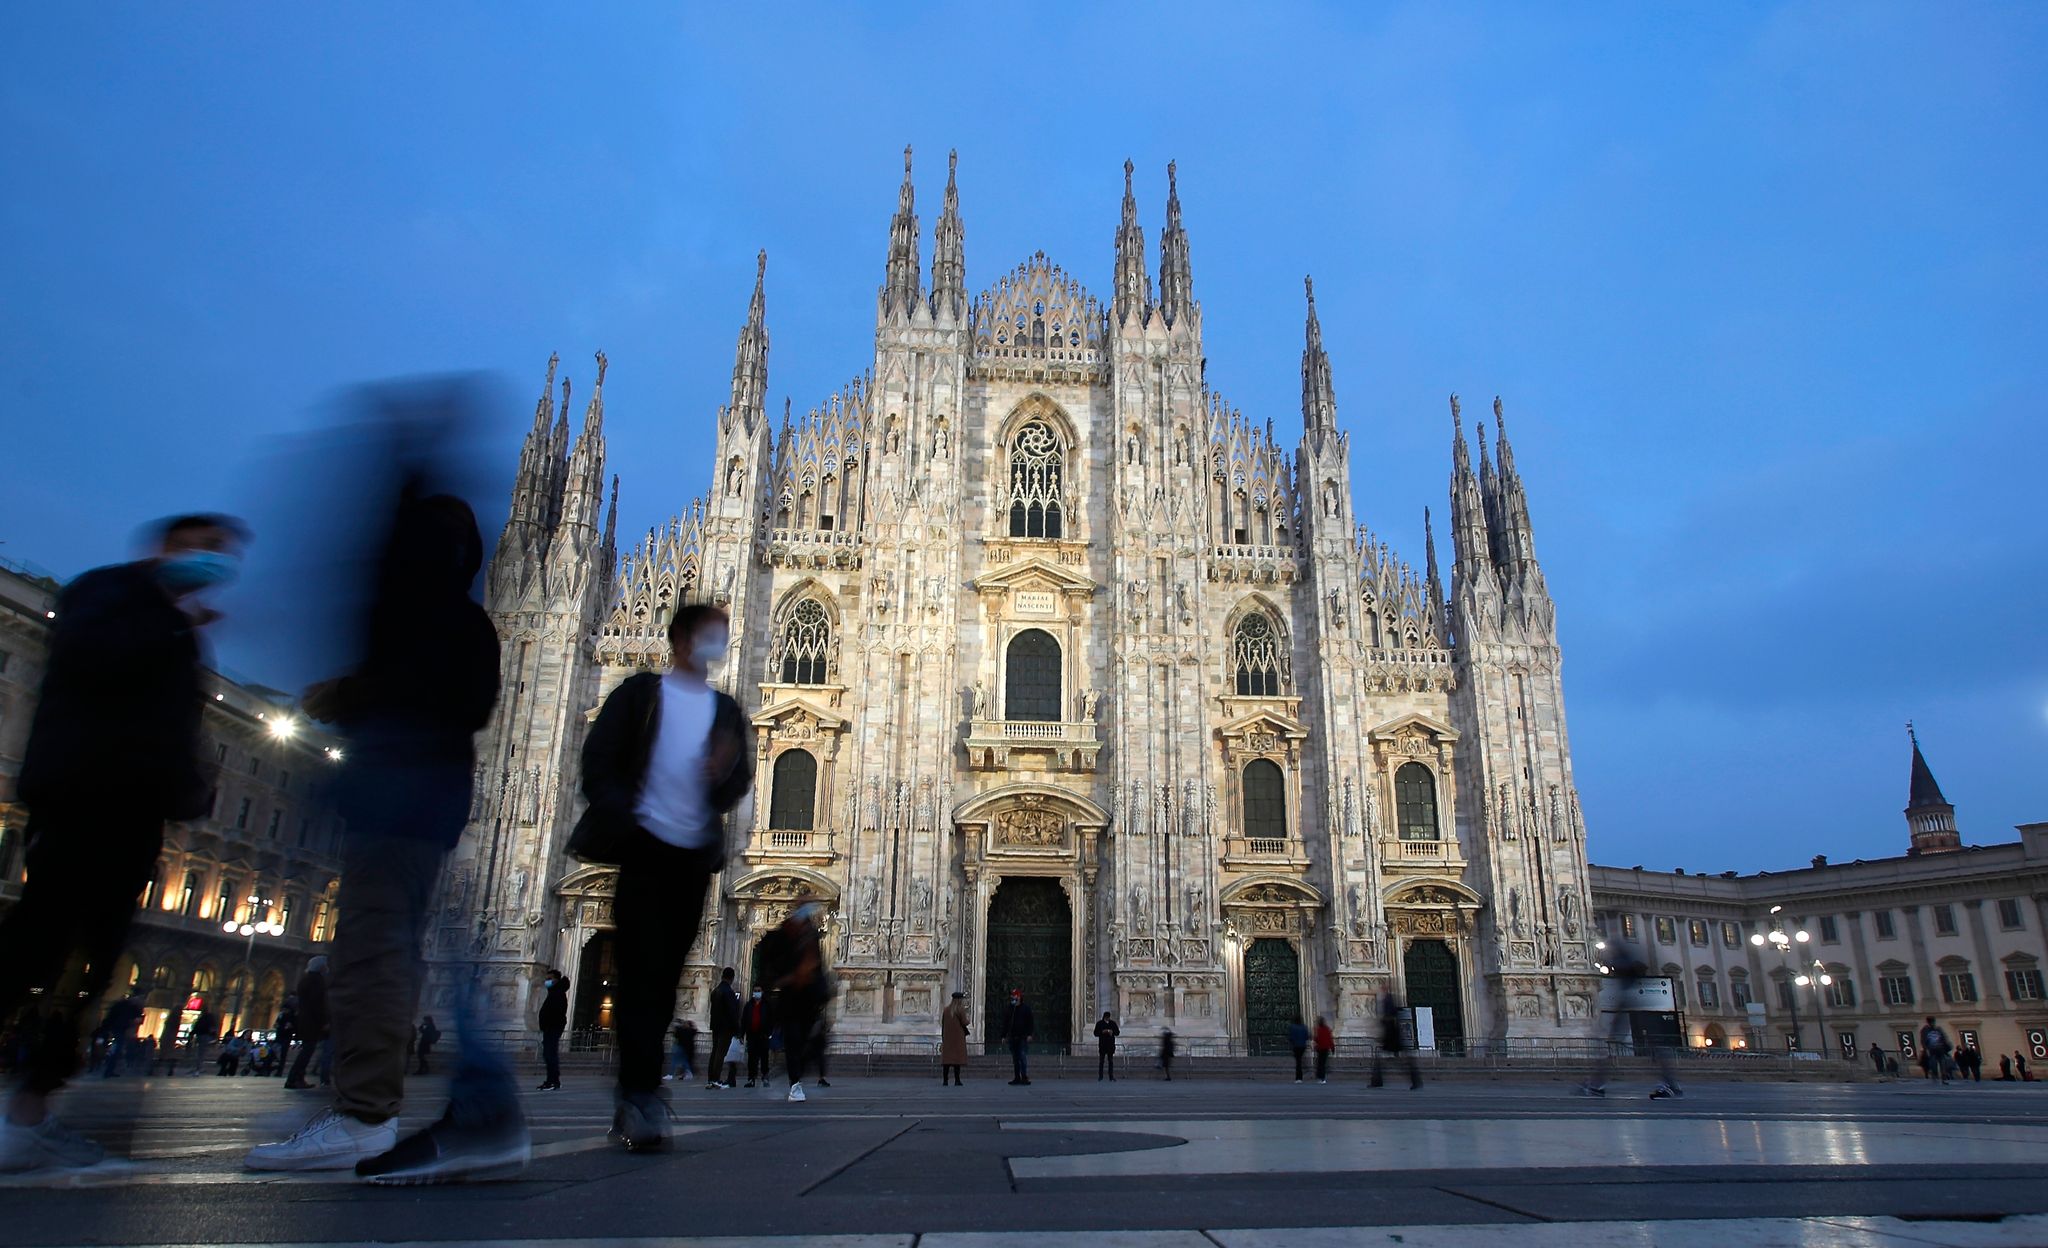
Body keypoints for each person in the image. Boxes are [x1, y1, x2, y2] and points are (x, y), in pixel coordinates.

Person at [246, 487, 526, 1183]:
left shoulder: (431, 622)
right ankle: (481, 1109)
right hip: (433, 811)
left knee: (376, 951)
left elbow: (427, 698)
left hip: (398, 807)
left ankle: (368, 1119)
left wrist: (347, 697)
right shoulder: (467, 624)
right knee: (414, 953)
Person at [0, 514, 246, 1171]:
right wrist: (172, 635)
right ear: (172, 547)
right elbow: (92, 664)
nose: (216, 566)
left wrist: (192, 792)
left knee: (91, 961)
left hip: (132, 812)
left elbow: (173, 728)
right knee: (39, 947)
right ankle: (28, 1109)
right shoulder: (108, 595)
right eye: (209, 551)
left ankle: (31, 1111)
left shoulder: (167, 621)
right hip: (84, 797)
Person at [575, 602, 751, 1147]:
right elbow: (597, 761)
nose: (713, 646)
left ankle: (640, 1092)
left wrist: (721, 773)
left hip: (691, 858)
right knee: (639, 975)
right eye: (705, 636)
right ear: (677, 640)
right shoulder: (638, 695)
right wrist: (627, 814)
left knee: (663, 976)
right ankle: (639, 1091)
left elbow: (738, 781)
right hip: (644, 849)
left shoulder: (724, 711)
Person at [1581, 938, 1680, 1099]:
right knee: (1645, 1046)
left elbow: (1625, 979)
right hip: (1634, 1000)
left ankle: (1670, 1085)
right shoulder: (1624, 960)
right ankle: (1597, 1083)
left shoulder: (1623, 961)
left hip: (1634, 1001)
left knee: (1619, 1044)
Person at [284, 957, 329, 1089]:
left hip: (305, 1020)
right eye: (325, 965)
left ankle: (297, 1078)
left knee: (307, 1050)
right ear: (320, 967)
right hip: (312, 1022)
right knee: (307, 1051)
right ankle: (294, 1079)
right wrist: (324, 1021)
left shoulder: (306, 979)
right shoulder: (316, 981)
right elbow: (317, 1004)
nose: (327, 967)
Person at [1371, 991, 1422, 1089]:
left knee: (1393, 1062)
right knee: (1390, 1062)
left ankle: (1377, 1081)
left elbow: (1388, 1023)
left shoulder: (1390, 1016)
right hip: (1392, 1040)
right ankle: (1415, 1080)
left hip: (1392, 1040)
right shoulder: (1393, 1014)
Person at [707, 968, 740, 1090]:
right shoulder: (728, 992)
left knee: (715, 1052)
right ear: (732, 978)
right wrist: (737, 1028)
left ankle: (711, 1079)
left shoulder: (715, 991)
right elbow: (732, 1012)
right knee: (720, 1053)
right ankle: (715, 1079)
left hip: (716, 1026)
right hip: (725, 1028)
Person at [99, 994, 144, 1079]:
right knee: (117, 1048)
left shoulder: (123, 1005)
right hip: (120, 1029)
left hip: (116, 1029)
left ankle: (109, 1069)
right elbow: (136, 1018)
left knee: (116, 1048)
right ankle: (109, 1069)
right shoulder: (130, 1007)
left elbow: (111, 1016)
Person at [537, 972, 568, 1091]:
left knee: (550, 1055)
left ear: (556, 980)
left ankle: (553, 1081)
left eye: (549, 979)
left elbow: (556, 1013)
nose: (547, 981)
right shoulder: (555, 992)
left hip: (553, 1027)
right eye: (546, 979)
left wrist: (548, 1024)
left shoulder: (558, 993)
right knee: (549, 1054)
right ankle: (553, 1081)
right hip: (551, 1027)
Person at [1003, 989, 1035, 1086]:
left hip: (1022, 1037)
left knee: (1022, 1056)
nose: (1013, 998)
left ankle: (1024, 1077)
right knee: (1015, 1058)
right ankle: (1017, 1077)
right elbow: (1006, 1023)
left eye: (1015, 996)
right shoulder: (1010, 1009)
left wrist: (1030, 1034)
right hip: (1012, 1036)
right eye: (1012, 996)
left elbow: (1030, 1023)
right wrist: (1003, 1035)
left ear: (1019, 997)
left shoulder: (1026, 1009)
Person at [742, 987, 772, 1089]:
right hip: (752, 1035)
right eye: (755, 990)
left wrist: (769, 1033)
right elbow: (744, 1020)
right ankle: (751, 1079)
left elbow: (771, 1019)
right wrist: (741, 1034)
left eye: (759, 990)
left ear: (762, 992)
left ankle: (765, 1077)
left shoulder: (766, 1005)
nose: (757, 992)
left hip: (763, 1035)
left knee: (764, 1057)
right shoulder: (748, 1005)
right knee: (752, 1058)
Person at [940, 991, 970, 1086]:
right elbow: (965, 1022)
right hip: (958, 1039)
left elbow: (943, 1023)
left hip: (948, 1038)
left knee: (947, 1061)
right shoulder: (960, 1010)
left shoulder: (946, 1010)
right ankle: (957, 1080)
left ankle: (945, 1080)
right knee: (957, 1061)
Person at [1919, 1017, 1952, 1085]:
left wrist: (1946, 1046)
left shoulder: (1938, 1029)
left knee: (1942, 1064)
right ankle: (1935, 1076)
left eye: (1933, 1022)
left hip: (1940, 1049)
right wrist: (1925, 1049)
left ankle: (1943, 1078)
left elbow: (1944, 1038)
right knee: (1934, 1064)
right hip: (1932, 1050)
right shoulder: (1925, 1030)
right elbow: (1923, 1040)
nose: (1932, 1023)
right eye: (1931, 1022)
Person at [670, 1019, 698, 1083]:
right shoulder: (689, 1030)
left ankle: (673, 1074)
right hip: (687, 1048)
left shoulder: (687, 1030)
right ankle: (687, 1073)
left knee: (683, 1062)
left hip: (686, 1048)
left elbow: (677, 1035)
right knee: (685, 1062)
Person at [1094, 1011, 1120, 1081]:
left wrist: (1112, 1032)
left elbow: (1117, 1032)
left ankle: (1111, 1076)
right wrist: (1102, 1032)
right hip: (1102, 1045)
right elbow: (1095, 1033)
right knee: (1101, 1061)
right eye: (1106, 1017)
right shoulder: (1099, 1024)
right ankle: (1100, 1076)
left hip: (1110, 1045)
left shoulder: (1112, 1023)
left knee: (1110, 1061)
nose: (1107, 1019)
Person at [1287, 1015, 1311, 1082]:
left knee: (1298, 1062)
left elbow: (1291, 1037)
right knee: (1299, 1060)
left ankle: (1298, 1078)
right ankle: (1304, 1070)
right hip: (1302, 1046)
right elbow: (1307, 1037)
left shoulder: (1292, 1027)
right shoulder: (1304, 1027)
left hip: (1296, 1046)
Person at [1313, 1016, 1336, 1084]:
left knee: (1320, 1063)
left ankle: (1321, 1077)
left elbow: (1316, 1039)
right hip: (1326, 1048)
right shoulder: (1327, 1029)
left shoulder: (1318, 1029)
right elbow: (1330, 1039)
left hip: (1320, 1048)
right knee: (1323, 1063)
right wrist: (1332, 1048)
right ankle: (1322, 1077)